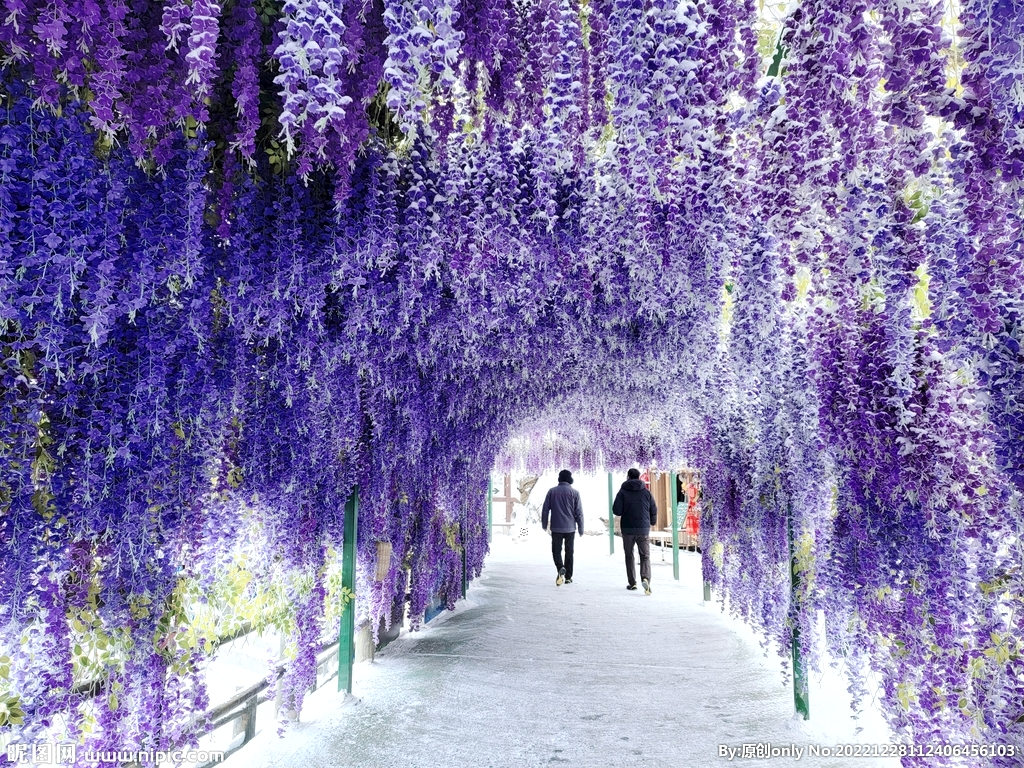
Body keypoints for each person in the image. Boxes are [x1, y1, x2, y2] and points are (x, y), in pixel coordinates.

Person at [612, 468, 657, 594]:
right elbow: (653, 508)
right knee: (645, 556)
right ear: (639, 477)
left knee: (629, 555)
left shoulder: (622, 492)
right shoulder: (646, 492)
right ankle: (646, 579)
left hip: (627, 528)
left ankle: (632, 583)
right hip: (643, 529)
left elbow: (616, 510)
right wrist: (652, 521)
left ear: (628, 477)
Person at [541, 469, 584, 586]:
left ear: (559, 478)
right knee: (569, 551)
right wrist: (581, 528)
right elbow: (579, 512)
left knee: (556, 550)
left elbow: (545, 510)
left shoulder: (552, 491)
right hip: (570, 527)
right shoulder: (575, 493)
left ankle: (560, 567)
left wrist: (544, 524)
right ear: (570, 479)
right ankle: (569, 577)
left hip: (556, 527)